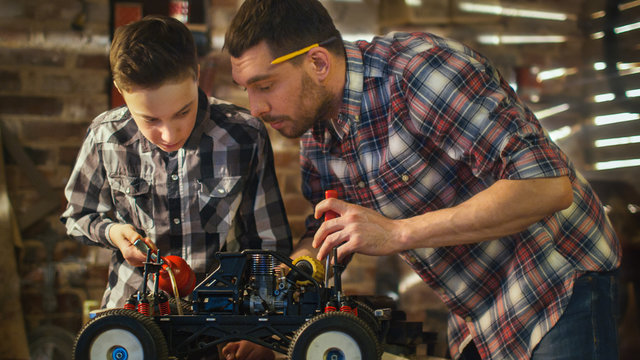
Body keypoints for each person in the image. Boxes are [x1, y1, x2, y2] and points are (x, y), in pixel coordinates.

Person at [224, 1, 622, 359]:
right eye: (248, 90)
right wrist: (271, 320)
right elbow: (326, 239)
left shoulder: (419, 72)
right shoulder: (317, 138)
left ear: (318, 63)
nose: (256, 108)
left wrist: (397, 233)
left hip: (556, 276)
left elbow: (548, 185)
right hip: (478, 313)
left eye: (265, 86)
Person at [61, 15, 291, 360]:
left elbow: (268, 243)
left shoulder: (244, 135)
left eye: (182, 112)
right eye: (150, 120)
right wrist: (113, 232)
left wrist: (262, 327)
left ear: (196, 74)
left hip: (223, 329)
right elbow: (77, 215)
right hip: (131, 325)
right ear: (121, 92)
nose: (169, 135)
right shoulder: (105, 136)